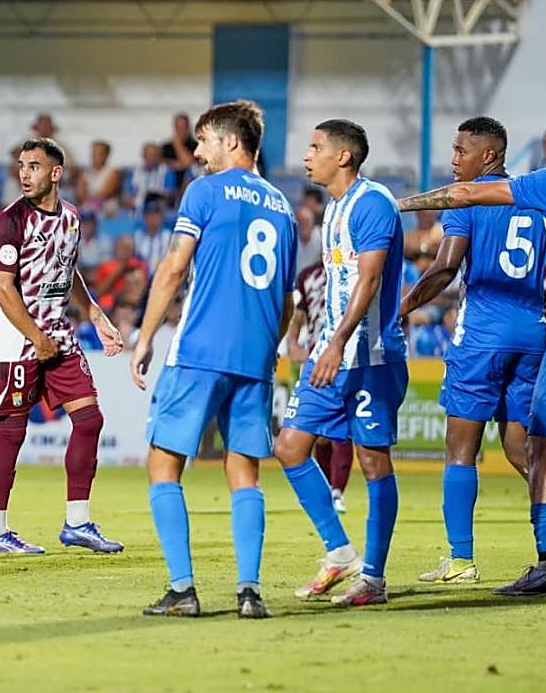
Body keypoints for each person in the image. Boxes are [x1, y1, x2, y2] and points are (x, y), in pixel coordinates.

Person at [398, 98, 546, 597]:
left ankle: (489, 558)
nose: (456, 155)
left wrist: (398, 206)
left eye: (461, 149)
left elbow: (453, 232)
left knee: (517, 446)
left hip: (522, 333)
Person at [131, 101, 297, 619]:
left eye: (203, 140)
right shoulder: (283, 207)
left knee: (163, 462)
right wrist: (270, 347)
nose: (197, 152)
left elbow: (174, 267)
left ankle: (183, 590)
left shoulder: (204, 191)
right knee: (243, 469)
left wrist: (145, 336)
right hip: (256, 357)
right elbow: (287, 299)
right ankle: (249, 591)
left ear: (230, 142)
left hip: (201, 349)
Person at [275, 119, 408, 607]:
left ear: (343, 156)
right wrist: (323, 344)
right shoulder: (334, 210)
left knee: (373, 461)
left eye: (315, 148)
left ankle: (373, 577)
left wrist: (336, 343)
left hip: (369, 356)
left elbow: (369, 281)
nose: (307, 157)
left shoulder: (372, 202)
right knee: (290, 447)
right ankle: (339, 552)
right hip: (329, 353)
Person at [0, 137, 125, 556]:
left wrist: (95, 314)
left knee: (90, 420)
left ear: (55, 173)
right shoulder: (9, 222)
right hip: (16, 343)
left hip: (58, 337)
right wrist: (35, 337)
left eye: (34, 166)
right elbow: (3, 290)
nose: (25, 174)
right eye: (22, 166)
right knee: (12, 432)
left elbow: (69, 270)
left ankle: (77, 522)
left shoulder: (71, 218)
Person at [285, 259, 353, 514]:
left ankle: (337, 491)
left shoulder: (351, 268)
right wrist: (293, 343)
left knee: (341, 428)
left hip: (347, 355)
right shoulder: (307, 275)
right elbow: (298, 314)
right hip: (316, 356)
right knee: (320, 434)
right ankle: (327, 486)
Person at [125, 142, 178, 211]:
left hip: (158, 208)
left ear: (159, 156)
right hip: (136, 207)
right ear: (143, 156)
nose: (152, 158)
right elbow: (127, 195)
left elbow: (170, 193)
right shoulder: (133, 172)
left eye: (155, 155)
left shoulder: (167, 171)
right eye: (149, 155)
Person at [75, 140, 123, 213]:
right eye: (93, 153)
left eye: (99, 154)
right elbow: (79, 194)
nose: (95, 157)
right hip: (87, 205)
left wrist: (89, 200)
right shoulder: (86, 172)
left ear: (106, 156)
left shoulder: (113, 172)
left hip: (107, 207)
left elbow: (105, 194)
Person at [132, 200, 173, 274]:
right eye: (149, 215)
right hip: (142, 275)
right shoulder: (138, 235)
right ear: (144, 218)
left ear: (161, 218)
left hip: (162, 274)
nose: (153, 218)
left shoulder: (167, 235)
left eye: (156, 215)